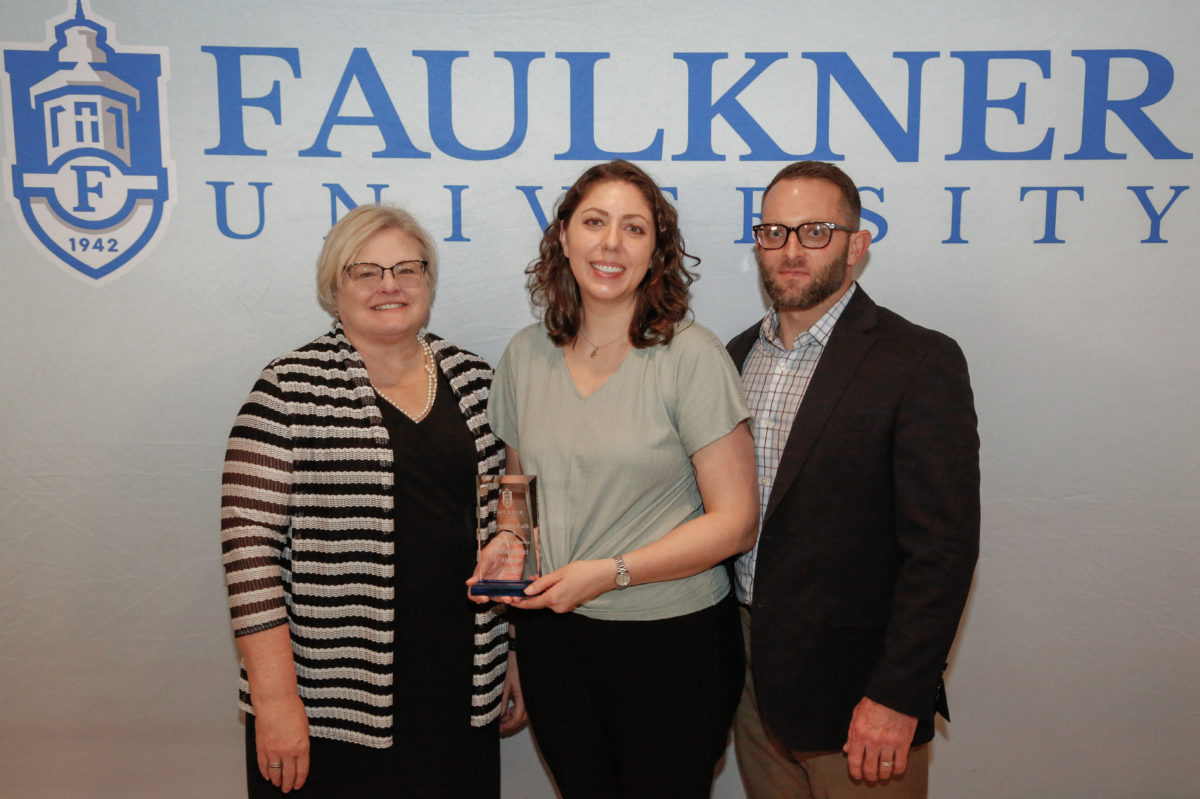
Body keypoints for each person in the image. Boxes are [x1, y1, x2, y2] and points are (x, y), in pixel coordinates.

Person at [469, 160, 759, 798]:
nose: (610, 243)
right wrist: (509, 547)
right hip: (556, 643)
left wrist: (611, 572)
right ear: (563, 236)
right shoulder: (525, 355)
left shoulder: (690, 355)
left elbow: (736, 521)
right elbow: (518, 499)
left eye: (633, 229)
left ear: (656, 252)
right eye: (594, 222)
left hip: (672, 646)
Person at [221, 204, 524, 797]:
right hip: (329, 703)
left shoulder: (477, 380)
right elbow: (247, 553)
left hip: (458, 687)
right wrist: (276, 702)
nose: (390, 285)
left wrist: (509, 651)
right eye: (366, 271)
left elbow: (505, 521)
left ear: (428, 283)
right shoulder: (286, 388)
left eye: (408, 269)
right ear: (335, 288)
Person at [727, 161, 980, 798]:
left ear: (856, 245)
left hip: (861, 696)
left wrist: (899, 695)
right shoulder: (731, 359)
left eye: (815, 231)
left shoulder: (919, 360)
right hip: (749, 684)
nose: (791, 250)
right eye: (774, 232)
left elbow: (942, 549)